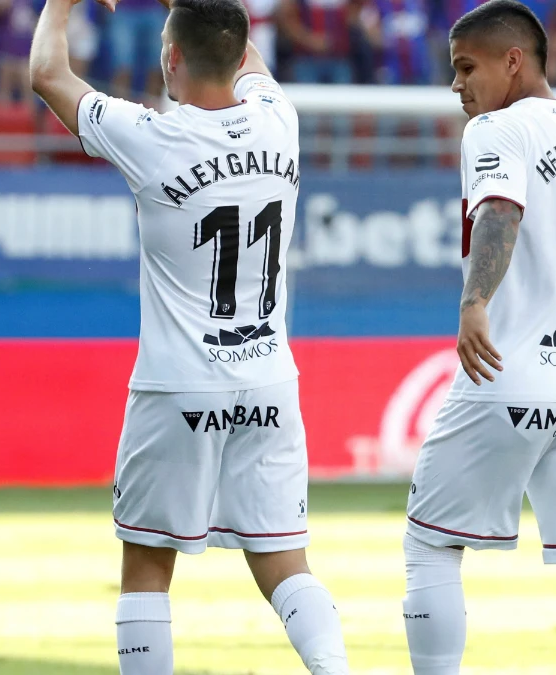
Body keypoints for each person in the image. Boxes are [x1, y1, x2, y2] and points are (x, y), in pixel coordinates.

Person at [29, 0, 350, 672]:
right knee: (285, 561)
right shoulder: (278, 119)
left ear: (170, 58)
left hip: (177, 385)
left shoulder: (150, 135)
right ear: (240, 59)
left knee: (147, 564)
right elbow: (242, 46)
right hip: (267, 379)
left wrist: (63, 1)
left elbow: (46, 73)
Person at [403, 2, 556, 673]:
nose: (456, 85)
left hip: (505, 374)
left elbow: (499, 210)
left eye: (466, 67)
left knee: (430, 543)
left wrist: (475, 299)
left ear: (513, 60)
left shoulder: (495, 129)